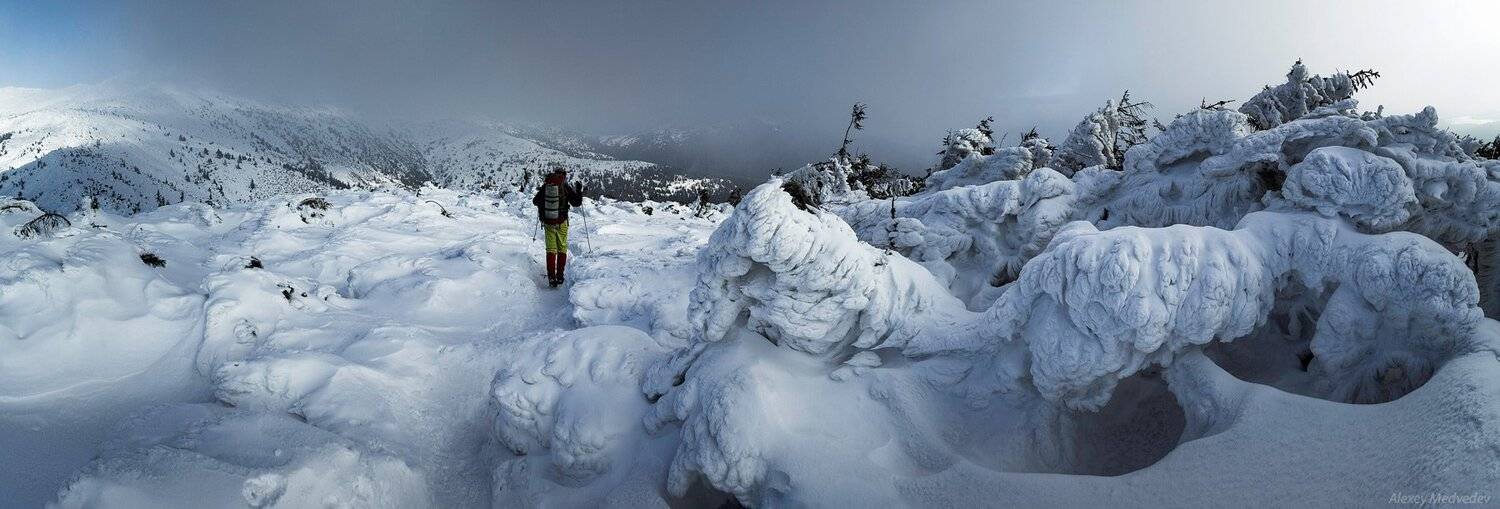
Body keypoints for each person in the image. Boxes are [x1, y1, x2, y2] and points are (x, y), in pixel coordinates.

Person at [533, 167, 584, 287]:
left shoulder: (546, 186)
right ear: (564, 176)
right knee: (562, 248)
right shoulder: (565, 187)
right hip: (562, 222)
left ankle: (551, 278)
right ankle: (560, 276)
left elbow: (535, 201)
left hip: (548, 223)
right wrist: (579, 191)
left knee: (551, 249)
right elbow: (576, 203)